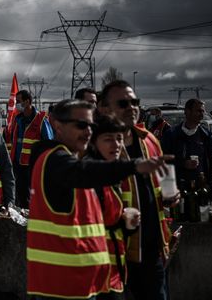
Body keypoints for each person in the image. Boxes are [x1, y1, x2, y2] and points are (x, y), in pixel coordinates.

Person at [27, 99, 170, 300]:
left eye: (91, 126)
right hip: (62, 287)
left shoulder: (75, 161)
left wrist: (123, 222)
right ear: (57, 125)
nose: (88, 131)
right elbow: (82, 173)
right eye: (81, 125)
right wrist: (133, 166)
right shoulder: (55, 160)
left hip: (87, 283)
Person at [98, 80, 175, 300]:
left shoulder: (149, 139)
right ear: (104, 108)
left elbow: (165, 181)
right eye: (123, 103)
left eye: (135, 102)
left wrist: (172, 195)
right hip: (114, 255)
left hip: (152, 253)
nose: (132, 107)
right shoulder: (96, 146)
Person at [87, 114, 139, 299]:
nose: (116, 145)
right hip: (94, 274)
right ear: (93, 142)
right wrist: (121, 222)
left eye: (119, 139)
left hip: (113, 271)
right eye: (108, 139)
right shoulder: (89, 175)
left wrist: (127, 224)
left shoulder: (111, 174)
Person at [161, 98, 212, 197]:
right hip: (178, 190)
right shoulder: (171, 135)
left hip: (201, 191)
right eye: (198, 111)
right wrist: (183, 163)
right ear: (187, 111)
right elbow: (163, 161)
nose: (202, 114)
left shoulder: (206, 136)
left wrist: (210, 186)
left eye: (203, 111)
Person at [8, 89, 53, 208]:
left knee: (32, 195)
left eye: (19, 101)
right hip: (18, 164)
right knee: (19, 194)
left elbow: (48, 143)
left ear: (27, 102)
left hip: (33, 165)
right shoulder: (18, 119)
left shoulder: (41, 119)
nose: (17, 104)